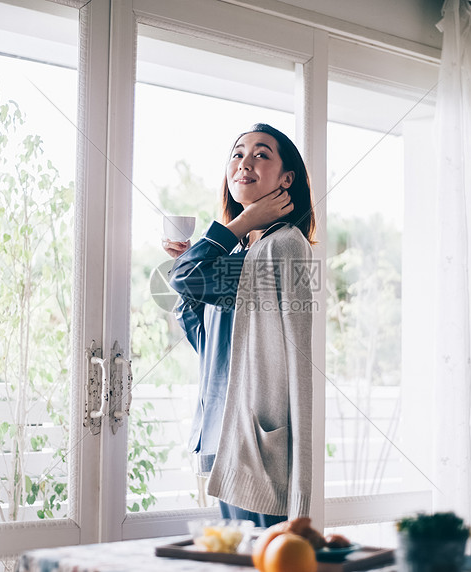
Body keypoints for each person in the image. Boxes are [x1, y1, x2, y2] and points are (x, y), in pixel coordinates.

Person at [164, 123, 316, 526]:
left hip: (256, 443)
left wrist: (238, 225)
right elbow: (205, 337)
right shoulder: (245, 251)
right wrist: (199, 254)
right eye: (237, 153)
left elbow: (185, 276)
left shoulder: (282, 246)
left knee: (268, 563)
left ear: (287, 179)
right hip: (220, 432)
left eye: (261, 154)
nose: (244, 163)